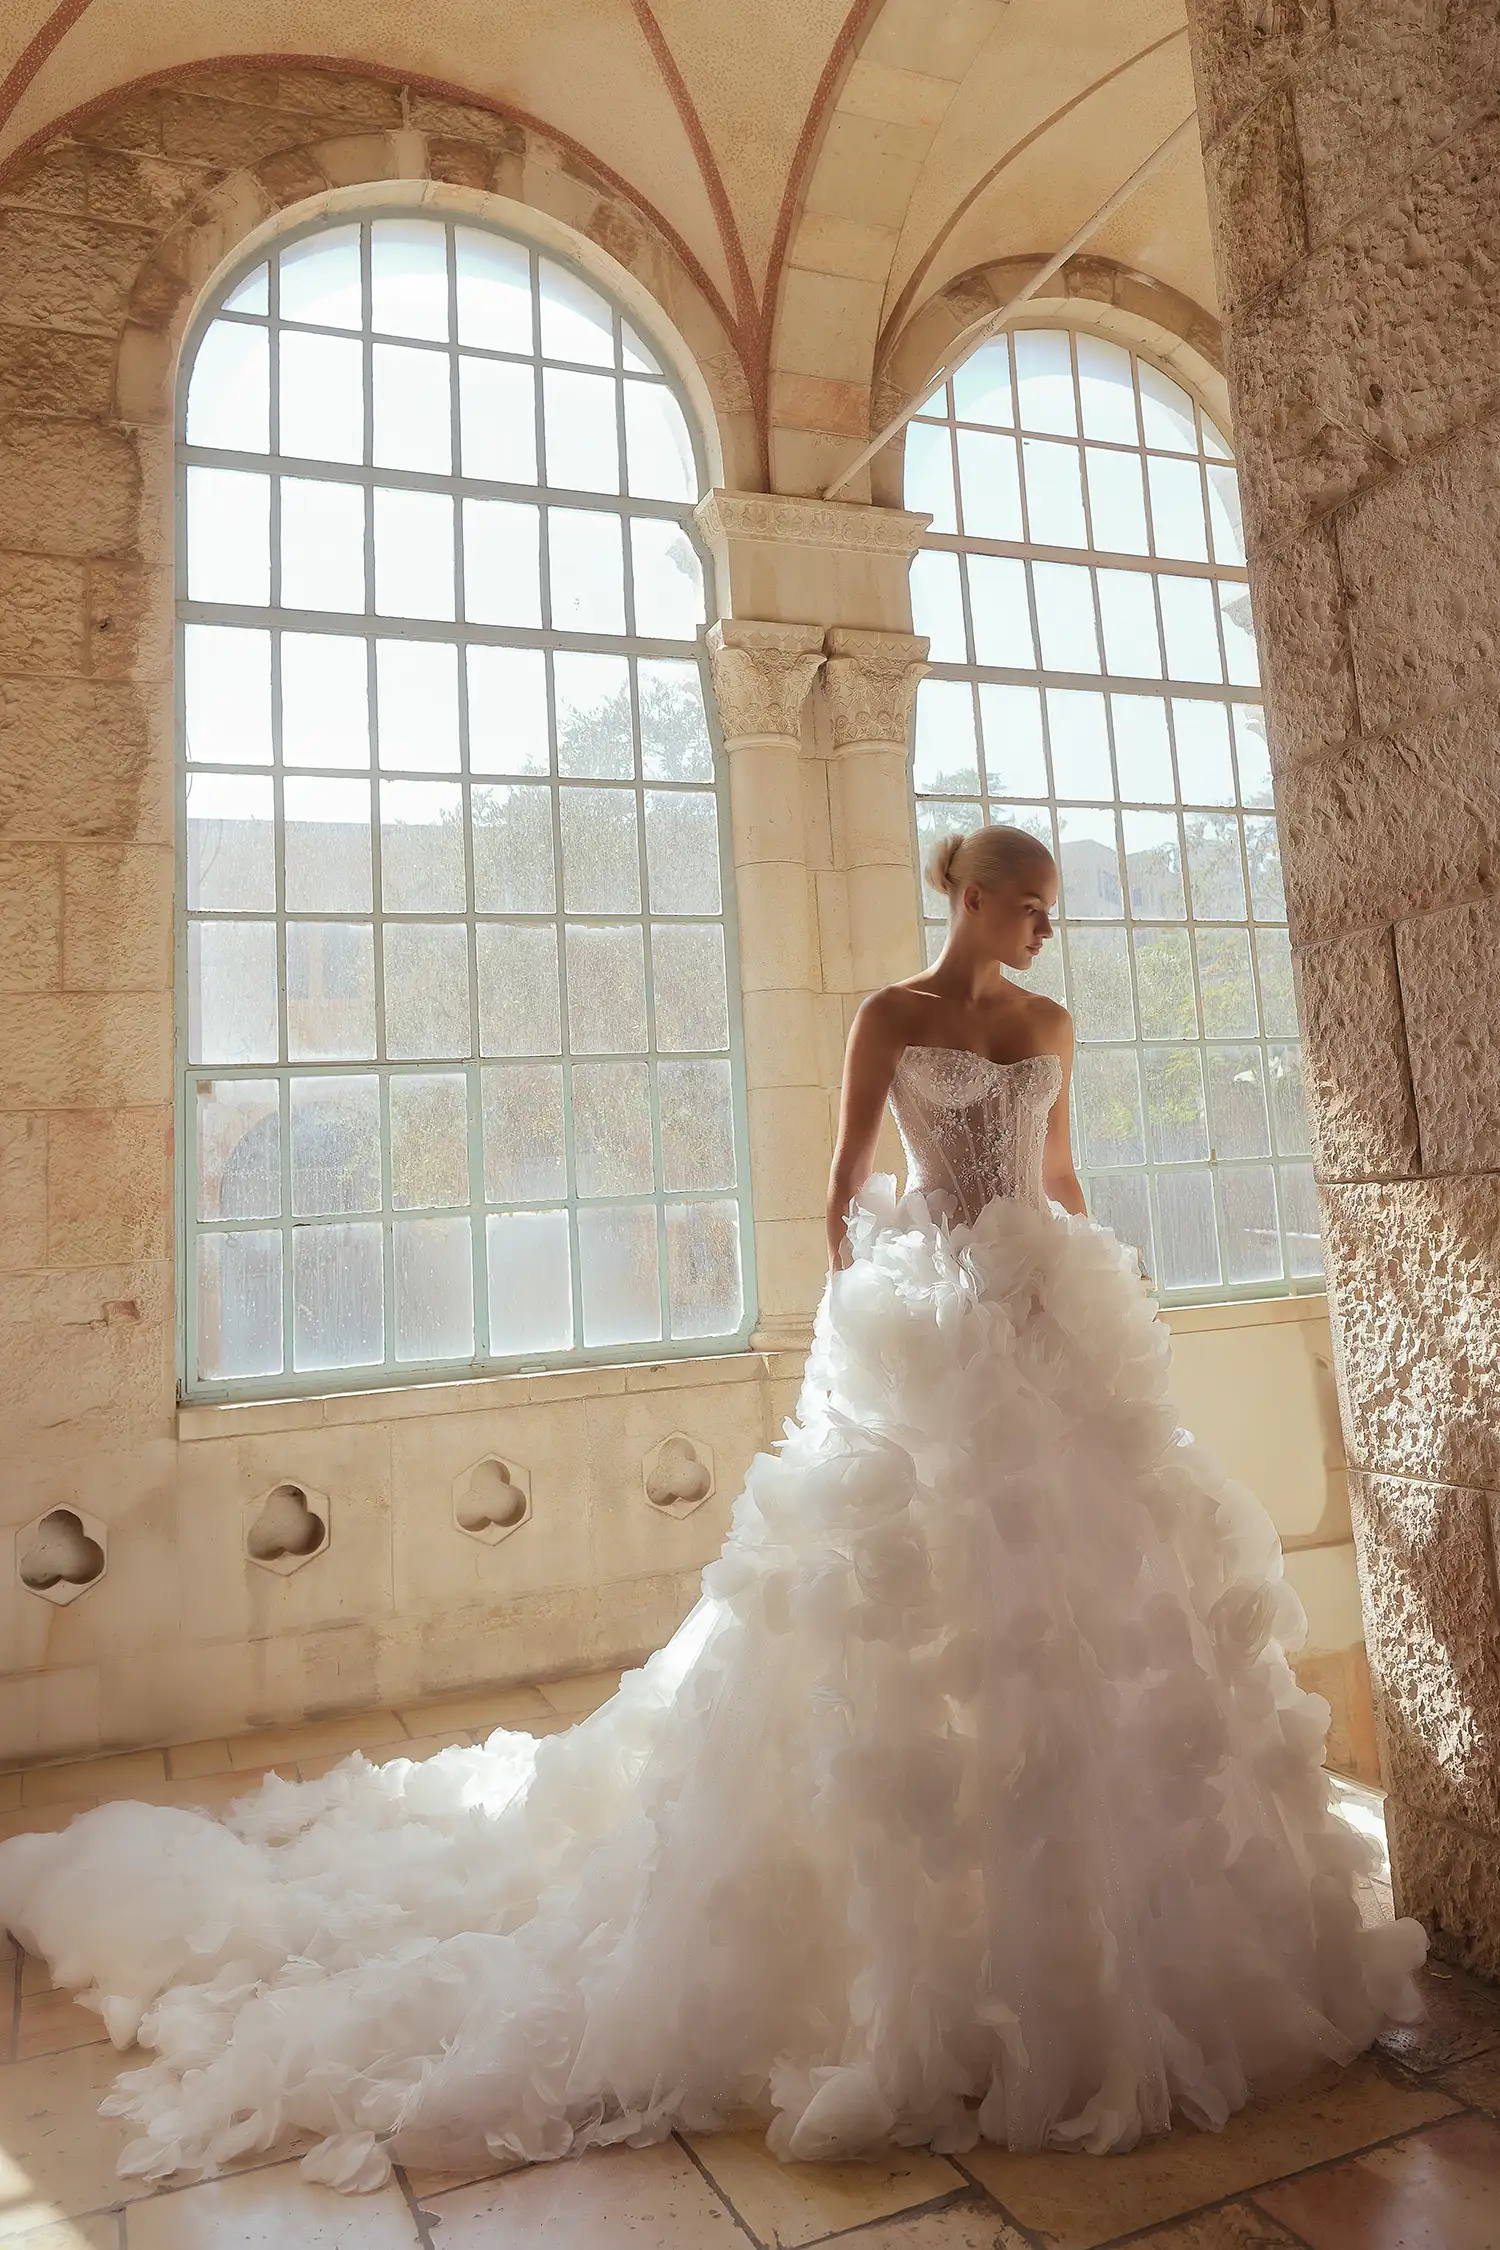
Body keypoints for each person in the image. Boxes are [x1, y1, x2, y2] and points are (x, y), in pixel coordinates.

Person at [0, 821, 1426, 2195]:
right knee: (910, 1605)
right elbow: (843, 1185)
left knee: (1084, 1613)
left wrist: (1090, 1285)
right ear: (972, 898)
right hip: (932, 1328)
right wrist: (871, 1325)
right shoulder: (890, 1014)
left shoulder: (1051, 1023)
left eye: (1053, 907)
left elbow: (1057, 1179)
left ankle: (1087, 1922)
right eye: (1031, 902)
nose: (1048, 926)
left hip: (1045, 1322)